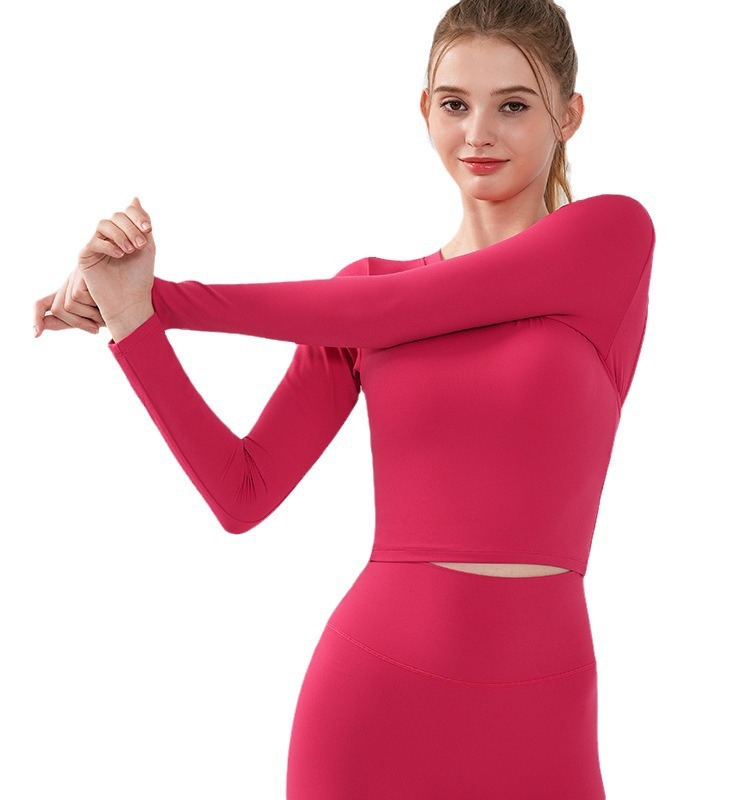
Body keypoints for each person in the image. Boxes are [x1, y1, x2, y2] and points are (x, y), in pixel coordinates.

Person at [33, 0, 655, 796]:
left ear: (569, 115)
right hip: (376, 696)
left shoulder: (610, 241)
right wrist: (132, 322)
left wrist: (166, 299)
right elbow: (243, 492)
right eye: (455, 104)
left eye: (513, 105)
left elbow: (396, 311)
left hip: (542, 707)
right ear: (424, 110)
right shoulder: (357, 299)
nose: (478, 133)